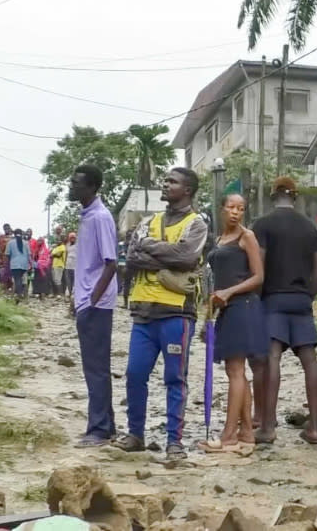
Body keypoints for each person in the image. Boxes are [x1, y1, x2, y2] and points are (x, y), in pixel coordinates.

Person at [114, 167, 207, 460]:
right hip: (143, 312)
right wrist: (166, 257)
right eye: (165, 180)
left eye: (172, 181)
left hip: (176, 313)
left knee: (174, 378)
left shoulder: (197, 224)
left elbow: (187, 257)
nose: (165, 185)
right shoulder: (149, 221)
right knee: (134, 374)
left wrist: (149, 250)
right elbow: (131, 256)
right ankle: (135, 434)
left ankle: (174, 442)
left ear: (188, 189)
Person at [250, 176, 317, 445]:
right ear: (295, 196)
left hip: (273, 300)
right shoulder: (310, 228)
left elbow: (260, 262)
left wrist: (257, 298)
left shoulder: (263, 224)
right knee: (310, 362)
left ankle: (268, 428)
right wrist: (309, 295)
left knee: (272, 359)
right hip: (302, 301)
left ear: (272, 196)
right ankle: (314, 428)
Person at [198, 194, 265, 452]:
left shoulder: (246, 237)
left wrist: (229, 292)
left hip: (243, 306)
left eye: (241, 209)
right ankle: (246, 432)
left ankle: (228, 434)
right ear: (222, 209)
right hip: (225, 309)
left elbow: (258, 277)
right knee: (237, 372)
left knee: (235, 371)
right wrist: (211, 309)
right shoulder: (218, 239)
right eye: (231, 208)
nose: (236, 212)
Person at [68, 165, 119, 448]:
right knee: (94, 366)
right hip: (86, 299)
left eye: (77, 183)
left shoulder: (100, 217)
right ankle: (106, 425)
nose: (72, 187)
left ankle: (98, 430)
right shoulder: (86, 215)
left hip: (96, 304)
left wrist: (91, 301)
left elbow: (111, 265)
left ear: (92, 187)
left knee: (96, 368)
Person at [5, 229, 31, 302]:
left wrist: (8, 263)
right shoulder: (26, 243)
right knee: (22, 279)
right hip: (24, 264)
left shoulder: (10, 243)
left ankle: (19, 295)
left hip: (15, 264)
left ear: (14, 234)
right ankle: (22, 294)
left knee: (17, 279)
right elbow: (29, 254)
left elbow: (7, 254)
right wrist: (30, 264)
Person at [0, 224, 13, 292]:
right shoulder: (1, 237)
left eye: (8, 228)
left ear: (10, 229)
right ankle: (4, 290)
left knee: (11, 275)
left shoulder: (13, 238)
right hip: (3, 258)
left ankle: (11, 290)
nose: (6, 229)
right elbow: (0, 249)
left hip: (11, 259)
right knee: (2, 275)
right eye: (5, 228)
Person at [65, 232, 77, 298]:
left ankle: (74, 294)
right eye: (71, 237)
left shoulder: (78, 245)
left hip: (75, 266)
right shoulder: (67, 245)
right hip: (68, 265)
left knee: (75, 280)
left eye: (73, 237)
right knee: (68, 280)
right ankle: (69, 293)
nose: (72, 238)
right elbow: (66, 255)